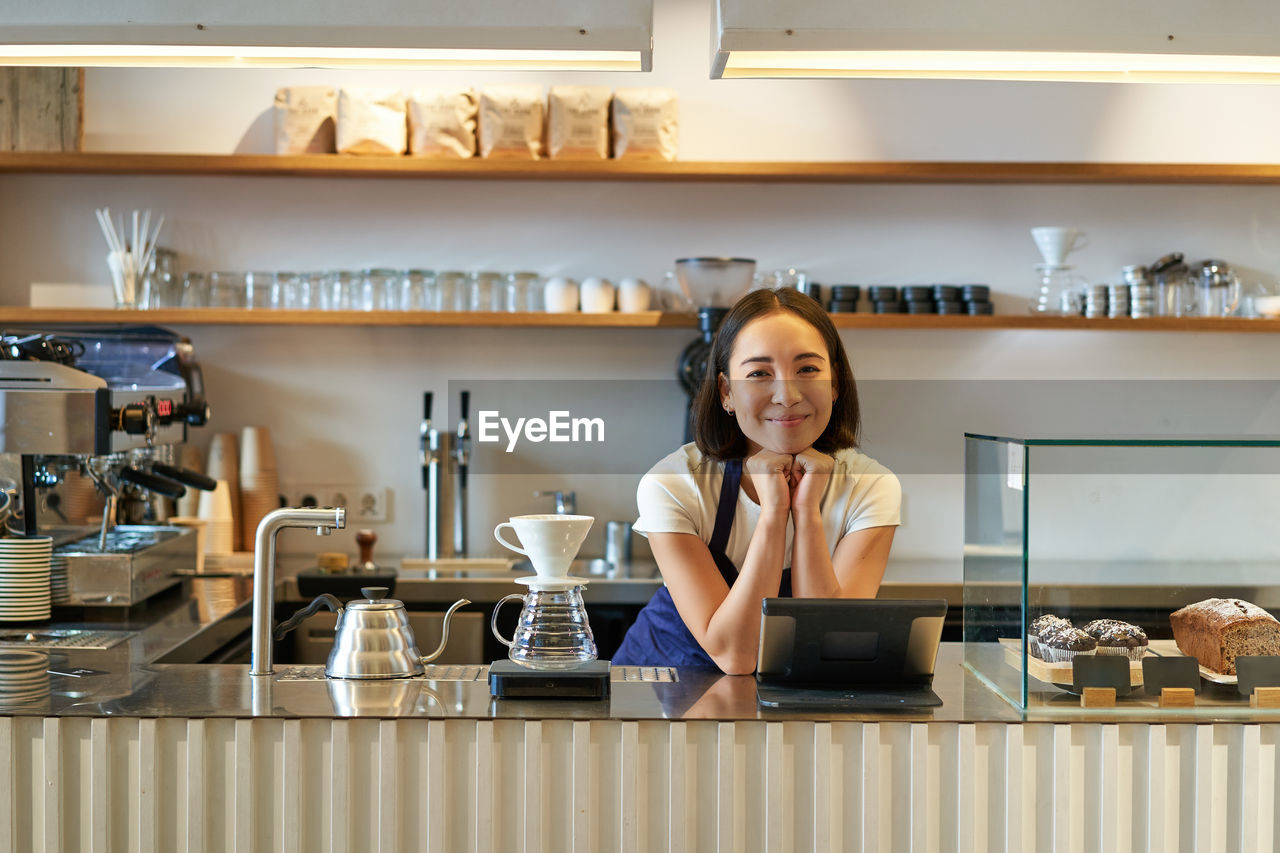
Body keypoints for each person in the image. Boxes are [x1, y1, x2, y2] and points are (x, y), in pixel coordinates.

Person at [613, 288, 901, 674]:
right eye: (759, 373)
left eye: (808, 369)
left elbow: (829, 647)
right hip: (659, 696)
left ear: (835, 384)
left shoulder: (871, 487)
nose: (787, 394)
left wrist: (807, 513)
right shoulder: (674, 484)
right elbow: (737, 656)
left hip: (785, 704)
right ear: (726, 392)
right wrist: (774, 513)